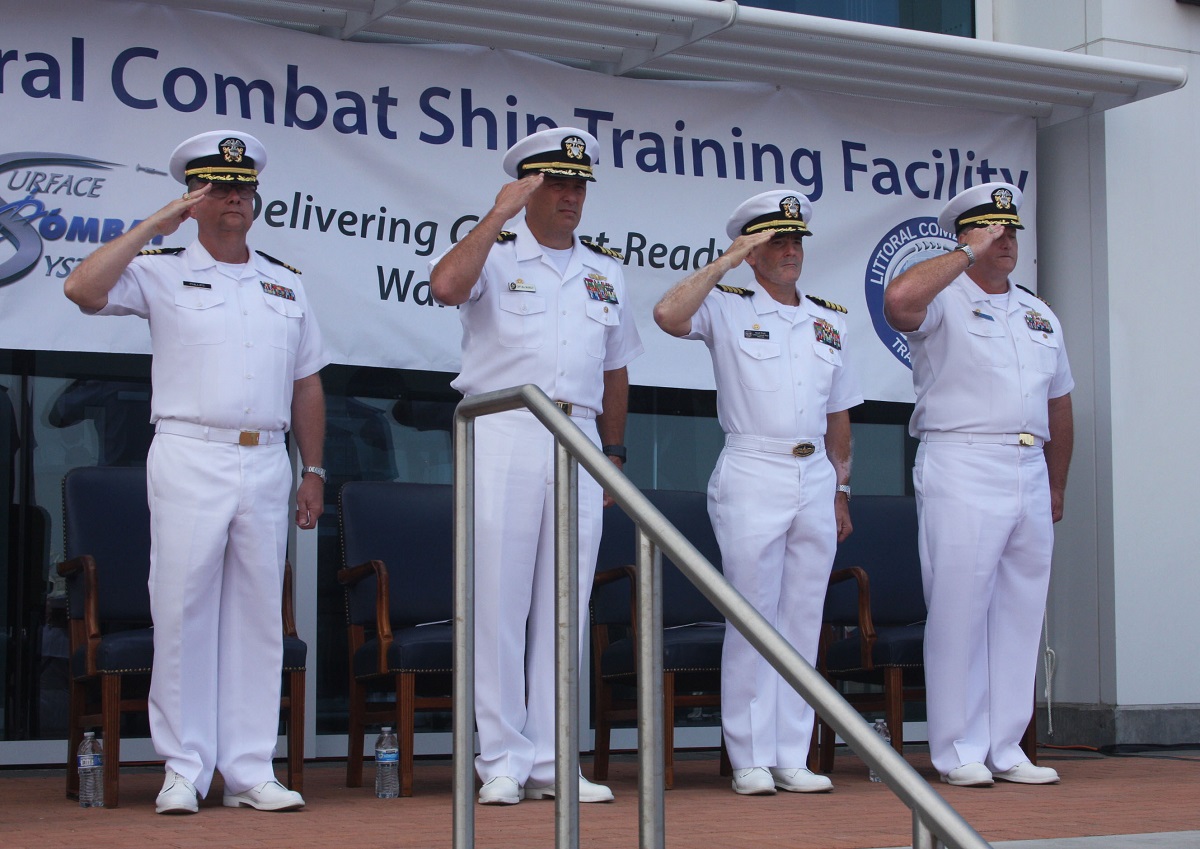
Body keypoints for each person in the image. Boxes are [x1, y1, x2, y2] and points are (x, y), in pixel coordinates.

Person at [64, 131, 327, 813]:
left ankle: (248, 768)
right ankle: (183, 765)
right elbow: (81, 289)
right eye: (216, 189)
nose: (233, 199)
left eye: (241, 189)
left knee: (258, 615)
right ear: (195, 199)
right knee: (180, 608)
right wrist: (158, 221)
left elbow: (307, 382)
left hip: (268, 458)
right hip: (189, 449)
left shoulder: (285, 280)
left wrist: (315, 467)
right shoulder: (159, 266)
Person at [429, 127, 642, 805]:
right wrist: (497, 215)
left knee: (566, 600)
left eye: (579, 184)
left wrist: (614, 452)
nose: (571, 195)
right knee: (499, 596)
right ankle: (500, 756)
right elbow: (443, 286)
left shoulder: (605, 271)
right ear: (527, 188)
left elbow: (616, 370)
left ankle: (553, 756)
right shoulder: (493, 251)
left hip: (578, 433)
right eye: (556, 182)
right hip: (506, 424)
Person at [653, 190, 862, 796]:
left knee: (803, 617)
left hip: (815, 476)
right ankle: (747, 754)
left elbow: (840, 413)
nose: (791, 249)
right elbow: (668, 316)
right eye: (776, 241)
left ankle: (791, 752)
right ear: (752, 252)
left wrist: (842, 487)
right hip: (752, 467)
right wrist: (723, 262)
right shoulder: (725, 305)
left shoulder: (830, 319)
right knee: (751, 615)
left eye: (796, 240)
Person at [883, 181, 1073, 788]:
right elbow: (897, 301)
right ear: (964, 235)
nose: (1005, 239)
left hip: (1027, 466)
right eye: (992, 229)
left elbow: (1061, 404)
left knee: (1020, 610)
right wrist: (964, 256)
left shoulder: (1038, 313)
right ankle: (957, 748)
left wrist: (1057, 485)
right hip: (961, 459)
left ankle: (1007, 745)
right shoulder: (944, 297)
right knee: (960, 608)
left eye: (1011, 229)